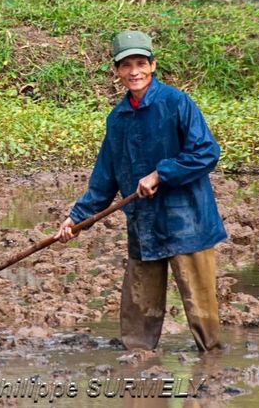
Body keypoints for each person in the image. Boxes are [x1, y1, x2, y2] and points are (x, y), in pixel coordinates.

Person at [54, 30, 226, 352]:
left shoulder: (177, 103)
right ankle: (136, 369)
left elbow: (206, 152)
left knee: (202, 314)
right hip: (143, 225)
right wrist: (75, 219)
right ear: (117, 71)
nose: (134, 71)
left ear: (153, 65)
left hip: (187, 221)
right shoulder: (117, 120)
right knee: (137, 317)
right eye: (126, 65)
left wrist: (162, 173)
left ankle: (212, 369)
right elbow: (104, 181)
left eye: (141, 63)